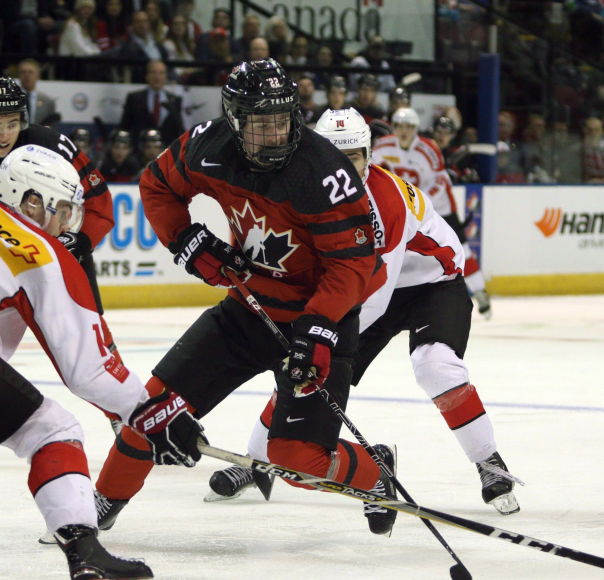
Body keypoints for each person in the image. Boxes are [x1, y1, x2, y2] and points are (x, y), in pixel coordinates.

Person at [91, 59, 393, 535]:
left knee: (296, 460)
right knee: (154, 407)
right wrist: (186, 240)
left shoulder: (325, 173)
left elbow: (354, 264)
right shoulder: (207, 145)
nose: (275, 133)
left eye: (282, 119)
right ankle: (95, 508)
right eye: (260, 122)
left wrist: (318, 325)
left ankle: (376, 471)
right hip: (248, 309)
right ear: (235, 120)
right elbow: (157, 185)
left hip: (320, 322)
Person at [206, 108, 521, 515]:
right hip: (362, 289)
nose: (342, 166)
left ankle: (490, 464)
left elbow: (375, 291)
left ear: (369, 154)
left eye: (352, 156)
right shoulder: (300, 190)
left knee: (434, 365)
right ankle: (259, 459)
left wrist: (314, 338)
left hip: (429, 284)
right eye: (331, 154)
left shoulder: (386, 200)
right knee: (306, 368)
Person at [0, 145, 205, 580]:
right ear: (31, 202)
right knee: (51, 431)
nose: (66, 225)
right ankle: (86, 551)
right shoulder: (38, 248)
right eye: (61, 210)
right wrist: (152, 411)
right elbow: (91, 370)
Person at [0, 78, 117, 358]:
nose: (4, 135)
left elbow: (100, 205)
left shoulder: (54, 145)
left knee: (95, 357)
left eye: (12, 123)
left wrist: (78, 242)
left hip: (54, 260)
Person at [373, 107, 492, 319]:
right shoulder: (382, 146)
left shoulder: (428, 149)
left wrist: (419, 201)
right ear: (393, 126)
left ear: (416, 128)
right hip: (404, 207)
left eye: (409, 126)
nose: (404, 131)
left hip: (439, 205)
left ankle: (480, 291)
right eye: (400, 126)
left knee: (461, 246)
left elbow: (440, 181)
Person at [119, 60, 186, 146]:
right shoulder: (135, 98)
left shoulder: (174, 100)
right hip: (140, 151)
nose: (157, 77)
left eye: (161, 73)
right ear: (147, 76)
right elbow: (125, 127)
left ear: (166, 77)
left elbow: (178, 130)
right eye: (153, 72)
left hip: (167, 153)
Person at [18, 58, 58, 129]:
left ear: (38, 76)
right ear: (19, 75)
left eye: (30, 72)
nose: (27, 76)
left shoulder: (48, 102)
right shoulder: (12, 100)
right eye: (23, 72)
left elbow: (52, 128)